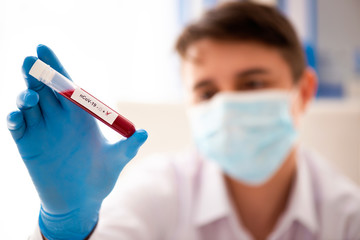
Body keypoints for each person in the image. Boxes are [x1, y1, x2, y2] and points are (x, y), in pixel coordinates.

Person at [6, 2, 360, 240]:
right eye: (206, 92)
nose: (227, 106)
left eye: (253, 83)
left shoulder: (346, 216)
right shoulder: (158, 194)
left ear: (305, 90)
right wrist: (67, 228)